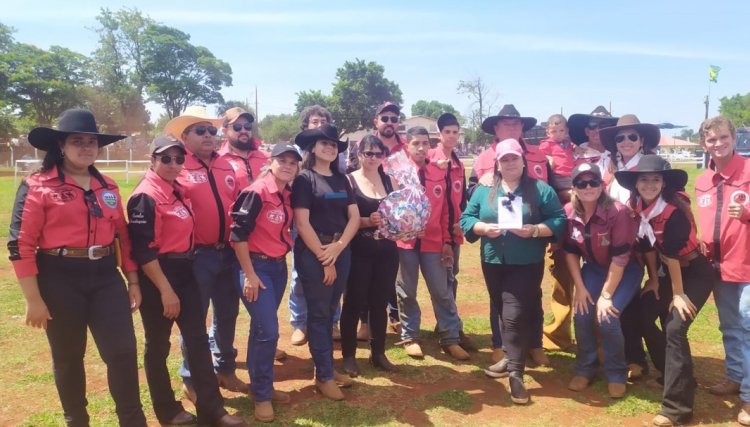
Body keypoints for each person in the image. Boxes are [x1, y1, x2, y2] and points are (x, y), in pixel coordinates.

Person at [8, 109, 147, 426]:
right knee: (69, 357)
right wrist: (33, 299)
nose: (86, 147)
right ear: (60, 146)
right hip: (58, 278)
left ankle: (132, 420)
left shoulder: (108, 186)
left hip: (104, 277)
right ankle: (77, 420)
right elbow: (21, 244)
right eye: (77, 141)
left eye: (91, 141)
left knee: (123, 352)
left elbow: (123, 237)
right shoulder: (38, 186)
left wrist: (134, 282)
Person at [127, 135, 246, 426]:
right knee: (157, 346)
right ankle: (167, 410)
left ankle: (213, 410)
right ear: (152, 160)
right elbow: (142, 250)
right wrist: (166, 290)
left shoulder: (177, 188)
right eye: (165, 158)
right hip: (158, 275)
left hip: (186, 270)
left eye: (179, 159)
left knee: (197, 341)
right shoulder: (145, 196)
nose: (173, 164)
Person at [612, 154, 716, 426]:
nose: (649, 184)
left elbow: (670, 254)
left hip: (694, 272)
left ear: (663, 183)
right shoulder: (635, 205)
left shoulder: (673, 210)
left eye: (655, 179)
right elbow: (647, 247)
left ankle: (676, 410)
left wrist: (679, 294)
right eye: (643, 179)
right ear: (635, 184)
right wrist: (654, 281)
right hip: (667, 272)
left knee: (675, 327)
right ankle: (675, 375)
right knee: (641, 314)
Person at [460, 138, 565, 404]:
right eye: (504, 159)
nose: (509, 163)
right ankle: (509, 356)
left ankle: (516, 374)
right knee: (501, 309)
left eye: (513, 158)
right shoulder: (485, 190)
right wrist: (482, 228)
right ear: (497, 163)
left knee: (513, 315)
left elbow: (559, 219)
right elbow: (467, 218)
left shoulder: (541, 190)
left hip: (526, 262)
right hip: (493, 260)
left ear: (523, 161)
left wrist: (535, 230)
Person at [163, 106, 247, 400]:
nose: (209, 135)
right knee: (194, 320)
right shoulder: (177, 166)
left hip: (229, 253)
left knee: (227, 314)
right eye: (201, 131)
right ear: (185, 136)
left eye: (212, 130)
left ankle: (225, 369)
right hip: (197, 256)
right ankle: (192, 378)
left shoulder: (227, 165)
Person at [472, 104, 549, 368]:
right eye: (506, 124)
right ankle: (501, 345)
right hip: (499, 242)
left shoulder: (538, 155)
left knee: (533, 295)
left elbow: (549, 191)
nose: (512, 128)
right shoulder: (483, 158)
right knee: (501, 299)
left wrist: (542, 231)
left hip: (531, 238)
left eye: (517, 124)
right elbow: (474, 196)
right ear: (495, 128)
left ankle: (535, 343)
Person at [230, 144, 300, 422]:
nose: (287, 166)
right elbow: (237, 235)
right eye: (282, 160)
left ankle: (263, 387)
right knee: (269, 331)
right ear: (270, 162)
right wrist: (249, 274)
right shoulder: (256, 192)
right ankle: (261, 396)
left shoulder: (287, 194)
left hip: (278, 267)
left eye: (292, 163)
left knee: (262, 329)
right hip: (256, 267)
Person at [292, 123, 360, 401]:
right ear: (312, 148)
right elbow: (301, 222)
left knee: (331, 311)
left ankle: (327, 368)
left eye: (334, 144)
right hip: (313, 253)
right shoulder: (304, 179)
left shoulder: (342, 180)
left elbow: (354, 217)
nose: (330, 147)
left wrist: (339, 247)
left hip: (341, 250)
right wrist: (325, 256)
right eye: (324, 143)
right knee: (319, 315)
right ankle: (324, 377)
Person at [563, 163, 642, 399]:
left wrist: (606, 295)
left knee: (607, 317)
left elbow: (621, 258)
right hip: (594, 269)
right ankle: (586, 368)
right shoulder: (569, 212)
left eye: (593, 182)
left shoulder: (617, 212)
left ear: (602, 185)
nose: (588, 187)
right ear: (574, 187)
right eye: (582, 183)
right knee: (582, 312)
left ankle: (616, 372)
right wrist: (579, 287)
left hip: (625, 270)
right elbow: (570, 252)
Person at [544, 106, 618, 351]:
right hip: (573, 218)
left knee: (608, 280)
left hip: (611, 222)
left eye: (605, 127)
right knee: (563, 273)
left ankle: (604, 339)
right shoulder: (575, 151)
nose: (599, 132)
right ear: (587, 130)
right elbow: (556, 178)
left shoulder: (620, 152)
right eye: (594, 127)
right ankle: (559, 334)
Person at [395, 126, 470, 361]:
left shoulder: (439, 172)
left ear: (430, 145)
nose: (420, 148)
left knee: (442, 290)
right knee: (406, 291)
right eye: (415, 143)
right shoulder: (397, 173)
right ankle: (410, 336)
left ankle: (450, 337)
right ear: (407, 145)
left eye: (424, 143)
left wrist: (447, 241)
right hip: (405, 243)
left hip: (434, 241)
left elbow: (447, 210)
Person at [694, 116, 750, 426]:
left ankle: (749, 397)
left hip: (747, 263)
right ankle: (734, 377)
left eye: (723, 137)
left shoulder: (749, 171)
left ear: (733, 137)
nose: (718, 143)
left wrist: (747, 213)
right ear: (704, 144)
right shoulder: (703, 180)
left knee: (748, 329)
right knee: (729, 326)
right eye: (711, 140)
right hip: (717, 265)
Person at [600, 114, 662, 381]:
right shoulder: (613, 171)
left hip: (643, 246)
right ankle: (627, 354)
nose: (626, 141)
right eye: (620, 137)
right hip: (617, 247)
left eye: (632, 136)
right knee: (623, 303)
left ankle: (638, 359)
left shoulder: (650, 166)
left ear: (642, 140)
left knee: (635, 305)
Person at [340, 135, 400, 376]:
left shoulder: (391, 181)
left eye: (378, 153)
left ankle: (378, 353)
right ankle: (348, 356)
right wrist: (367, 221)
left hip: (386, 250)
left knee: (379, 303)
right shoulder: (348, 181)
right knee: (353, 303)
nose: (373, 158)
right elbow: (344, 218)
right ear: (359, 154)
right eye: (368, 153)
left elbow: (399, 215)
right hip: (359, 250)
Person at [289, 105, 349, 346]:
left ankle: (332, 321)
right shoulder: (297, 158)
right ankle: (300, 322)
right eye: (315, 121)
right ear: (306, 127)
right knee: (301, 277)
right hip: (305, 219)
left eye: (324, 120)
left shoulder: (336, 157)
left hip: (333, 225)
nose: (319, 124)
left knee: (334, 283)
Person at [429, 113, 474, 351]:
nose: (452, 136)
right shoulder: (430, 159)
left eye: (455, 132)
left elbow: (462, 199)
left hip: (454, 229)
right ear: (439, 134)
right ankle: (452, 329)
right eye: (447, 132)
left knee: (451, 278)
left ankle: (446, 324)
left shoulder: (457, 162)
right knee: (442, 281)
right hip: (435, 232)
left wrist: (462, 221)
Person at [219, 107, 269, 190]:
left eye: (247, 126)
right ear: (225, 131)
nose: (243, 131)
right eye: (237, 127)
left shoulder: (267, 158)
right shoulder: (218, 161)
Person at [538, 114, 575, 203]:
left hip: (571, 175)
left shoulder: (569, 144)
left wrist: (577, 147)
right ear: (548, 132)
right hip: (558, 176)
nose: (558, 134)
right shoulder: (546, 144)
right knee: (574, 193)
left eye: (561, 131)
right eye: (554, 131)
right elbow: (540, 156)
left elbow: (574, 148)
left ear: (566, 131)